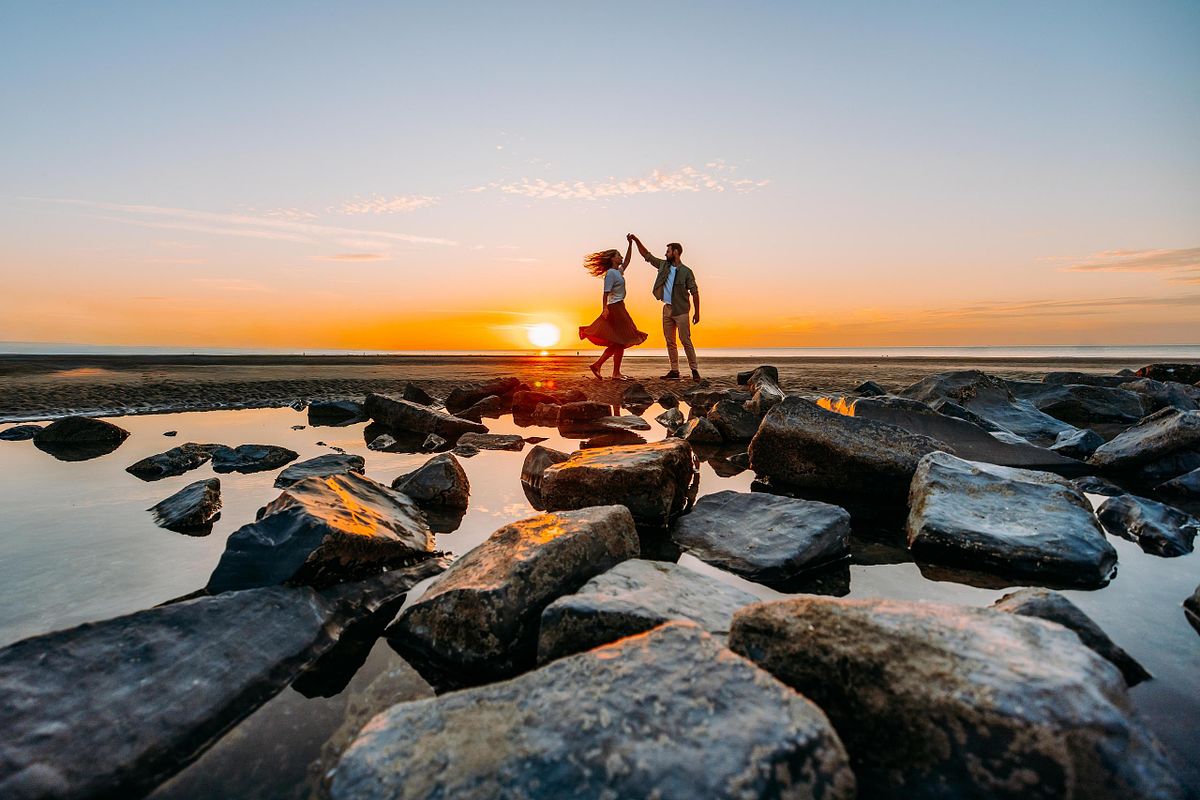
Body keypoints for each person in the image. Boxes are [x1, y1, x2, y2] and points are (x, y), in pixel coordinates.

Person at [628, 233, 701, 381]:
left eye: (668, 251)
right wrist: (635, 240)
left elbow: (695, 292)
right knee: (670, 342)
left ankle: (694, 370)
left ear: (675, 252)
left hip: (681, 311)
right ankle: (674, 370)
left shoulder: (687, 272)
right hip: (667, 309)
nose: (665, 253)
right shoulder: (663, 265)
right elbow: (647, 256)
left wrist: (697, 313)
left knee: (685, 340)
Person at [577, 239, 648, 380]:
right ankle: (615, 373)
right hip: (615, 307)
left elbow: (627, 260)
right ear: (613, 259)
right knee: (622, 339)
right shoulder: (610, 274)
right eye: (618, 255)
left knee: (618, 341)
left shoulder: (618, 271)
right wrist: (605, 308)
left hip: (620, 306)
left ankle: (598, 365)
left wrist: (630, 244)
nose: (621, 257)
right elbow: (605, 292)